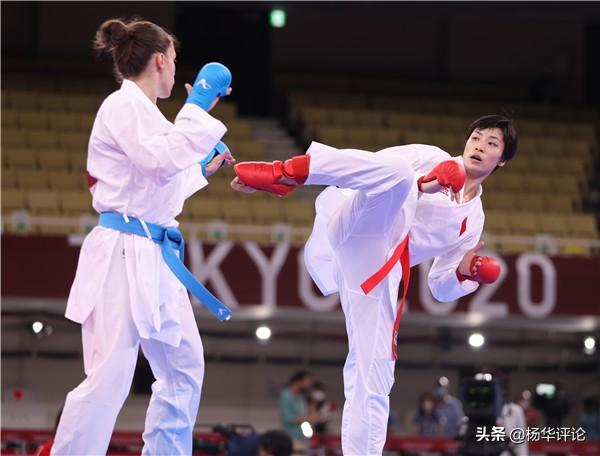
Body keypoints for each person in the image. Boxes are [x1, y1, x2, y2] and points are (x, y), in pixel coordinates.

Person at [232, 115, 517, 455]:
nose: (479, 146)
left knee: (375, 371)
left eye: (491, 143)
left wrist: (465, 274)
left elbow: (440, 287)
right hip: (356, 222)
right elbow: (369, 171)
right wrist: (423, 184)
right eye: (476, 137)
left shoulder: (473, 221)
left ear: (501, 160)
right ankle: (287, 173)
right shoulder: (431, 157)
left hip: (377, 269)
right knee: (398, 172)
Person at [51, 18, 234, 455]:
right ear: (159, 60)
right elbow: (159, 162)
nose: (175, 69)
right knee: (110, 377)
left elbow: (160, 186)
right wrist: (197, 108)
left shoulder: (150, 117)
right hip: (122, 250)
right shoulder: (121, 106)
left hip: (155, 251)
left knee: (183, 366)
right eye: (174, 59)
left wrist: (200, 170)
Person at [279, 370, 320, 452]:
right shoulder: (286, 395)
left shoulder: (302, 396)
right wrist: (308, 418)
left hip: (304, 438)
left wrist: (312, 404)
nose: (309, 385)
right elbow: (288, 418)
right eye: (307, 382)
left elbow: (310, 414)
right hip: (292, 438)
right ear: (298, 381)